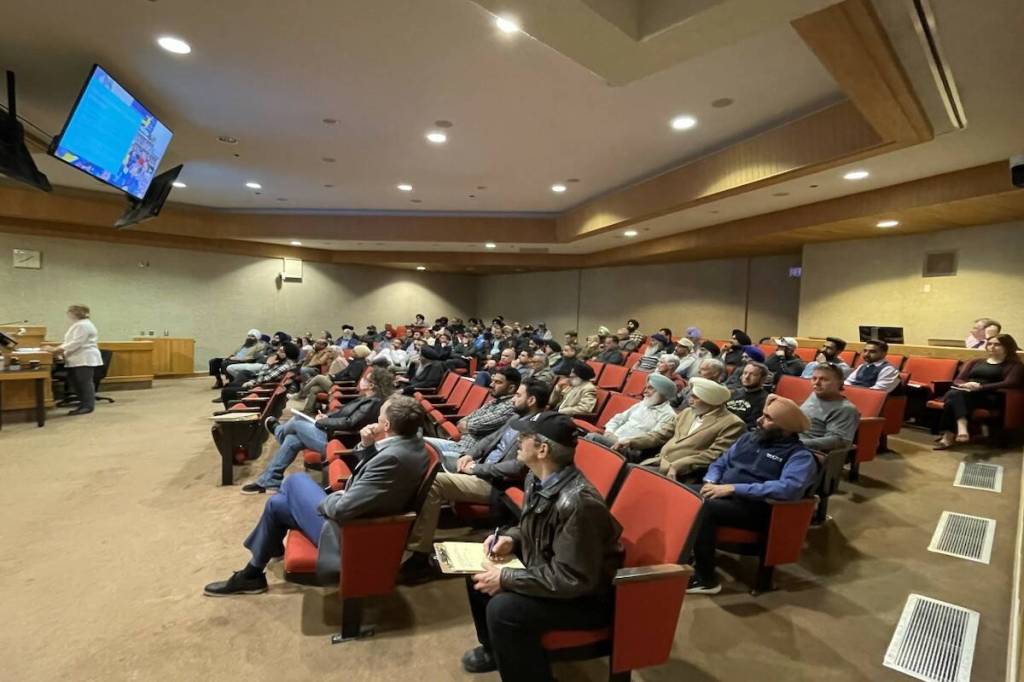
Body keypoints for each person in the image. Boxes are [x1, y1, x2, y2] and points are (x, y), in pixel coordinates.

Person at [203, 396, 428, 596]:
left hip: (350, 532)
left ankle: (267, 546)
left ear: (386, 425)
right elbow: (371, 477)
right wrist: (367, 445)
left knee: (294, 481)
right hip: (356, 510)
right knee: (276, 503)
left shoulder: (394, 457)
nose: (375, 421)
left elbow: (342, 508)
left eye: (379, 418)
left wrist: (328, 497)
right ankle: (252, 574)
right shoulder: (412, 443)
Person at [459, 413, 624, 679]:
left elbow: (573, 578)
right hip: (550, 571)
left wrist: (507, 578)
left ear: (542, 449)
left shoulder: (579, 503)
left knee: (504, 610)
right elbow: (531, 528)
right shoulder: (536, 478)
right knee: (477, 569)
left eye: (524, 437)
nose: (518, 441)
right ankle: (494, 650)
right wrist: (511, 539)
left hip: (585, 599)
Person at [402, 379, 549, 582]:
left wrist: (476, 469)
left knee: (435, 483)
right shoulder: (516, 417)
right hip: (479, 469)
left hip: (496, 483)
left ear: (531, 399)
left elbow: (516, 467)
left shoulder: (540, 429)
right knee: (424, 470)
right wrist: (469, 455)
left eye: (518, 395)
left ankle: (419, 557)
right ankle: (407, 533)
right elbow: (489, 440)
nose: (513, 399)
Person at [686, 395, 817, 594]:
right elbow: (721, 461)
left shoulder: (800, 456)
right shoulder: (749, 438)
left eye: (768, 418)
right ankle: (684, 557)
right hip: (724, 493)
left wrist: (733, 488)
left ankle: (705, 579)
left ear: (786, 428)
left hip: (758, 508)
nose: (759, 420)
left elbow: (788, 488)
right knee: (681, 492)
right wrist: (711, 479)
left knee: (704, 507)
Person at [241, 366, 395, 494]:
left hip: (339, 441)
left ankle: (278, 431)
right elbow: (343, 412)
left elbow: (350, 423)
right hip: (332, 434)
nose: (362, 380)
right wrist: (324, 416)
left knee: (296, 422)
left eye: (366, 379)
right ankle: (270, 480)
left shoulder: (373, 402)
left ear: (372, 384)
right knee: (292, 440)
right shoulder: (366, 397)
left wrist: (324, 422)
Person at [636, 377, 745, 481]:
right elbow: (661, 434)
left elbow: (713, 455)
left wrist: (678, 466)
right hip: (659, 461)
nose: (690, 401)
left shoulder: (733, 423)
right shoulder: (687, 412)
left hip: (682, 473)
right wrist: (631, 441)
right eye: (690, 396)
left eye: (695, 397)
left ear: (711, 400)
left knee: (630, 475)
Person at [935, 334, 1023, 449]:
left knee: (953, 396)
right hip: (967, 392)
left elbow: (1010, 383)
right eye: (990, 344)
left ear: (1007, 347)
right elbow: (958, 379)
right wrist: (965, 384)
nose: (992, 347)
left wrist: (981, 387)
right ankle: (959, 428)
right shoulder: (976, 361)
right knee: (956, 394)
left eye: (997, 344)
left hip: (991, 395)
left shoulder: (1014, 365)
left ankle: (950, 434)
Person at [423, 367, 521, 464]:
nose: (491, 385)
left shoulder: (509, 407)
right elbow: (463, 422)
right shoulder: (494, 401)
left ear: (511, 388)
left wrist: (468, 426)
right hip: (459, 445)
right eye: (492, 381)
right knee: (418, 442)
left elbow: (474, 426)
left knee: (425, 455)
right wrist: (469, 426)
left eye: (498, 382)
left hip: (468, 455)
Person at [585, 373, 676, 462]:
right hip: (613, 438)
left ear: (662, 392)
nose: (645, 391)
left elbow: (652, 439)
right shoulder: (642, 404)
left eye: (650, 388)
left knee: (592, 438)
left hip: (631, 449)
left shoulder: (668, 415)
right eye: (646, 387)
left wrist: (624, 441)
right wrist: (609, 431)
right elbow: (618, 419)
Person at [45, 304, 103, 416]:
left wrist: (57, 349)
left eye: (70, 311)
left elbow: (76, 342)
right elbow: (69, 342)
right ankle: (83, 404)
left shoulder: (83, 325)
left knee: (84, 382)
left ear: (75, 313)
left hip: (84, 358)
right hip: (77, 357)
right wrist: (58, 349)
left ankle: (87, 406)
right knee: (76, 382)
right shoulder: (79, 324)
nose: (69, 314)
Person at [219, 341, 299, 409]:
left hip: (261, 390)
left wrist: (267, 364)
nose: (277, 352)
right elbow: (265, 377)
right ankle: (232, 409)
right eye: (279, 350)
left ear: (288, 353)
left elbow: (261, 380)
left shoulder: (285, 366)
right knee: (231, 385)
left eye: (281, 351)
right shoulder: (286, 363)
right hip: (262, 387)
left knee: (227, 391)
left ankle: (231, 412)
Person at [800, 364, 860, 454]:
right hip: (792, 441)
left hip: (811, 452)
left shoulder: (846, 409)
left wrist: (797, 444)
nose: (816, 383)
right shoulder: (815, 395)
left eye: (823, 379)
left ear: (840, 383)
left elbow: (838, 441)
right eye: (814, 378)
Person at [295, 344, 371, 415]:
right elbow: (342, 373)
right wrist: (333, 376)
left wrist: (334, 378)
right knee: (314, 389)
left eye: (354, 351)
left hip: (342, 387)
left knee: (318, 377)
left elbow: (351, 378)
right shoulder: (355, 362)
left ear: (359, 353)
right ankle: (308, 410)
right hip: (337, 383)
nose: (351, 352)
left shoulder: (358, 364)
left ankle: (300, 394)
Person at [726, 362, 771, 428]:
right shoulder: (733, 392)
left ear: (763, 379)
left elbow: (750, 425)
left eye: (753, 375)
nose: (746, 377)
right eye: (745, 373)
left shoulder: (764, 400)